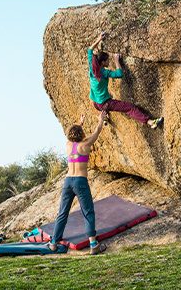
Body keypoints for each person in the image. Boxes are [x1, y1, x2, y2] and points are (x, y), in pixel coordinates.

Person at [49, 109, 109, 255]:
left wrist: (79, 123)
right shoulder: (86, 144)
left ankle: (53, 243)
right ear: (81, 134)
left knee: (62, 212)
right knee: (88, 212)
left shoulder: (68, 145)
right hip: (80, 181)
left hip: (68, 181)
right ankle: (93, 245)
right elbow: (98, 130)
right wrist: (101, 119)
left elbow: (73, 133)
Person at [88, 32, 163, 129]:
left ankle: (105, 117)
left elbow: (90, 50)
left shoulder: (92, 66)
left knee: (105, 98)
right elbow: (119, 74)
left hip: (96, 103)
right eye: (107, 60)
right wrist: (116, 61)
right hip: (105, 104)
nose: (109, 61)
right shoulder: (104, 73)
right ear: (103, 62)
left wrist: (99, 39)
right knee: (130, 108)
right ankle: (151, 122)